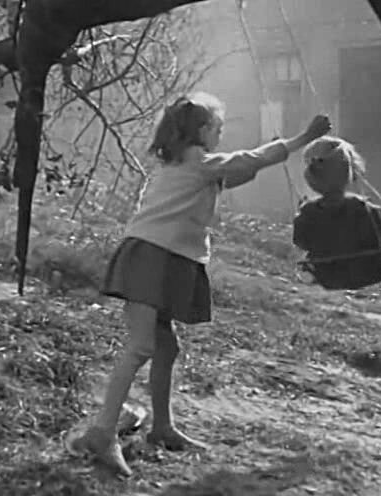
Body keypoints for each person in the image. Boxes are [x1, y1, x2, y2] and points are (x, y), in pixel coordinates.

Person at [64, 91, 332, 476]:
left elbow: (241, 169)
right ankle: (102, 433)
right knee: (140, 345)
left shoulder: (195, 167)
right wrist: (302, 139)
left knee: (166, 346)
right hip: (150, 257)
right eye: (218, 128)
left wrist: (266, 158)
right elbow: (247, 161)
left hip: (167, 258)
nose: (221, 134)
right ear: (203, 131)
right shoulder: (197, 164)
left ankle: (162, 427)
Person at [293, 135, 381, 290]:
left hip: (328, 276)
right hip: (371, 272)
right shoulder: (369, 210)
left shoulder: (307, 213)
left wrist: (301, 218)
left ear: (312, 178)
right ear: (350, 172)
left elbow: (301, 242)